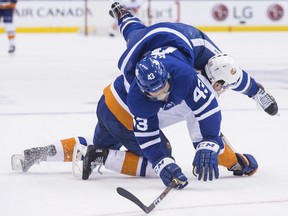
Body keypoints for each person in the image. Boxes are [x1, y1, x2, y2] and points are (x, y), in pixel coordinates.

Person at [11, 74, 258, 187]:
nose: (223, 90)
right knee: (162, 158)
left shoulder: (183, 68)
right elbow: (206, 141)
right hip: (129, 119)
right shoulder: (201, 98)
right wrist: (237, 163)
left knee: (105, 141)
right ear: (217, 81)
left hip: (109, 101)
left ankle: (42, 153)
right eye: (224, 85)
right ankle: (100, 156)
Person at [110, 2, 278, 116]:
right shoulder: (135, 52)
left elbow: (232, 71)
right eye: (219, 86)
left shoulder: (209, 53)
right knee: (131, 31)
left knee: (224, 68)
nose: (220, 90)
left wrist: (255, 90)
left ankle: (257, 92)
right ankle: (123, 15)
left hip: (185, 41)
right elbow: (132, 31)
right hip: (152, 41)